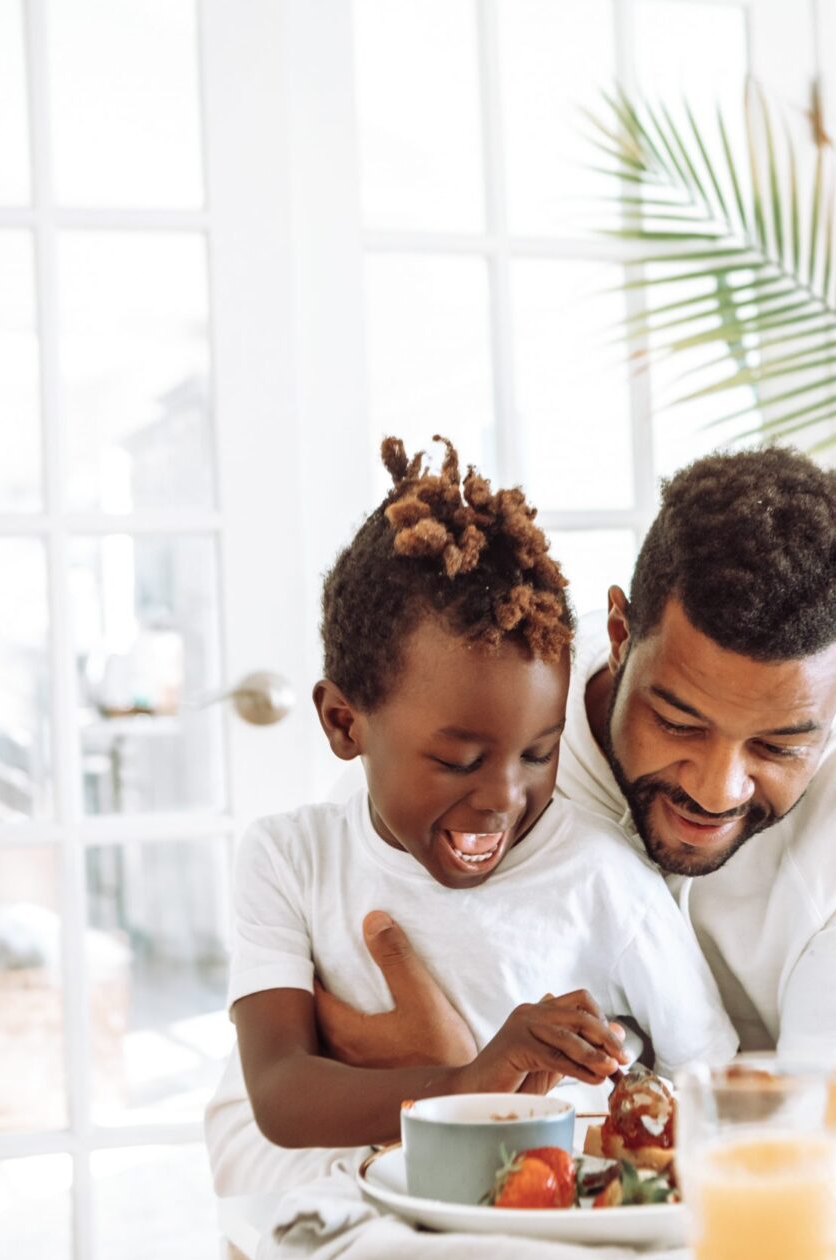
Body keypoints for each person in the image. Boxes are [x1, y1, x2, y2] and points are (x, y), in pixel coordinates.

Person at [315, 446, 836, 1063]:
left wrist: (465, 1084)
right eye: (678, 723)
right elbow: (260, 1124)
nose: (717, 791)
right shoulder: (488, 745)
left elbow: (835, 1128)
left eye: (779, 745)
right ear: (619, 631)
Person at [204, 438, 735, 1196]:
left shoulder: (599, 874)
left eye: (537, 754)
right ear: (343, 724)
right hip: (364, 1208)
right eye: (458, 760)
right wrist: (476, 1078)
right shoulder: (291, 859)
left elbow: (708, 1069)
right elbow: (282, 1095)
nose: (501, 799)